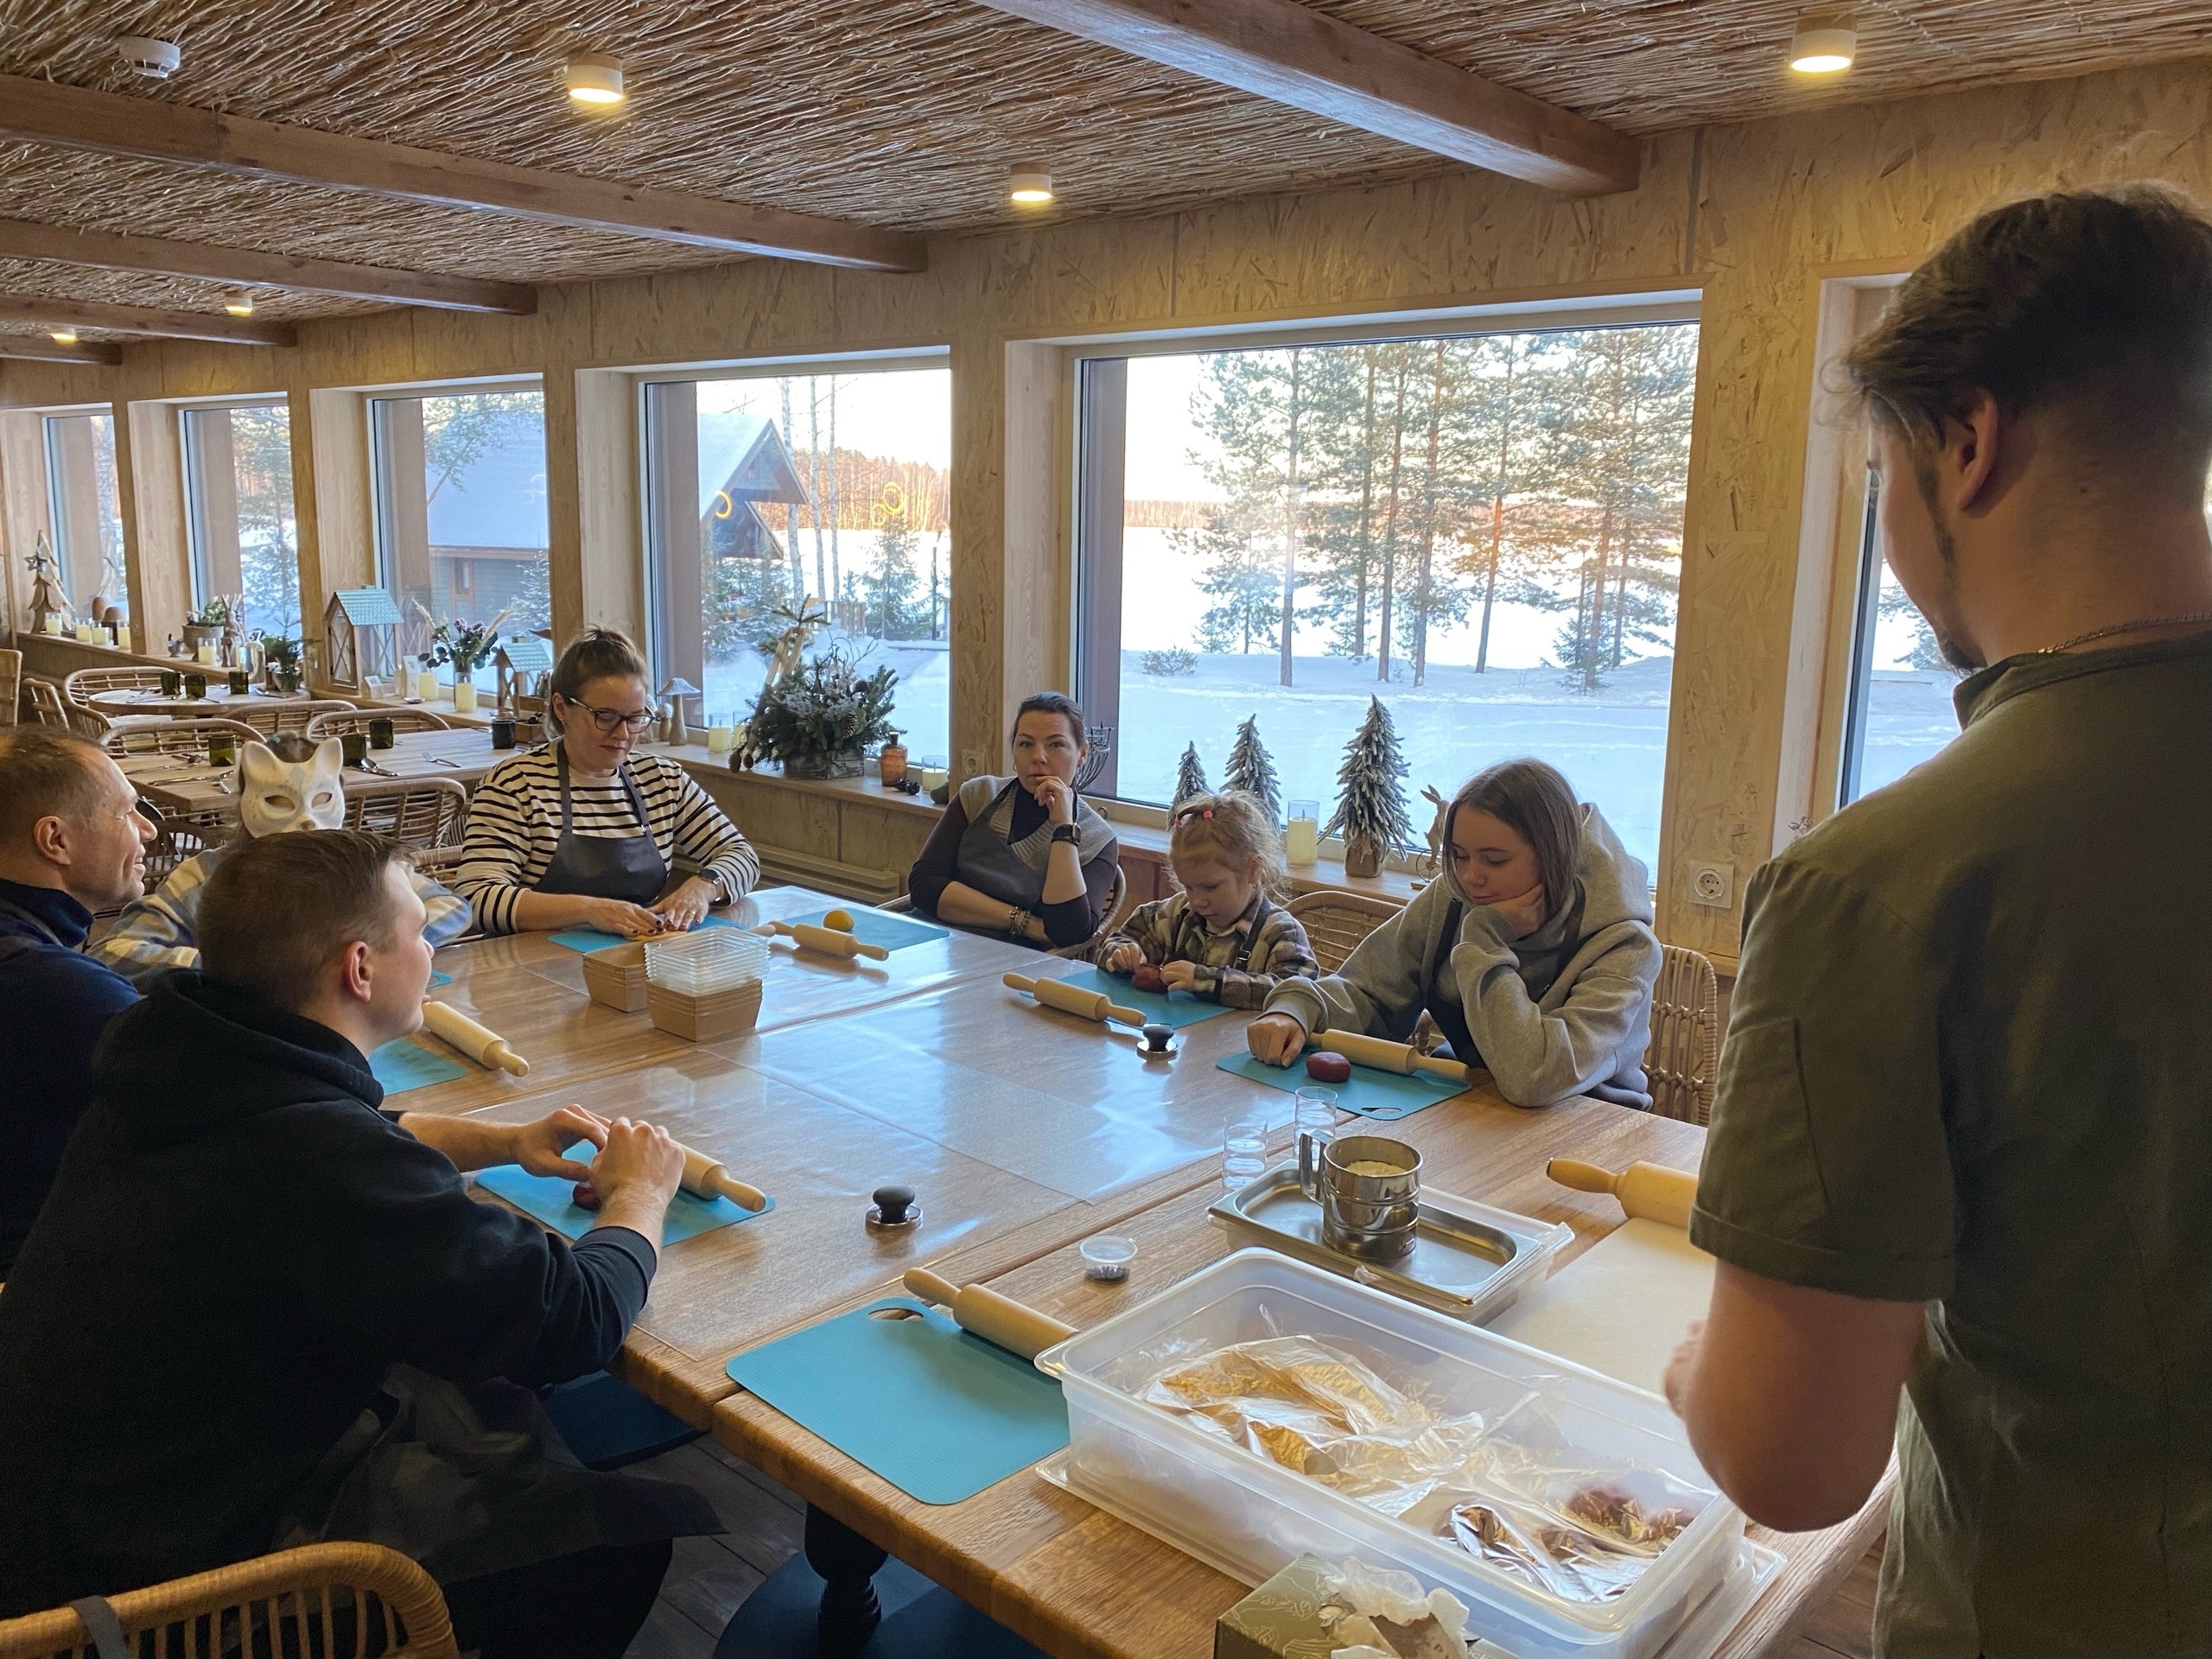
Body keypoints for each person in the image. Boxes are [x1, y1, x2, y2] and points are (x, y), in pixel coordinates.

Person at [1663, 186, 2212, 1659]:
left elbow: (1789, 1465)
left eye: (1876, 476)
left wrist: (1696, 1369)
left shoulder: (1880, 884)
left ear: (1967, 440)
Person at [0, 830, 714, 1654]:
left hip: (66, 1490)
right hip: (154, 1591)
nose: (432, 948)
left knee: (483, 1397)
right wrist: (639, 1196)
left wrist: (502, 1142)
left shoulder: (174, 1060)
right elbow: (576, 1320)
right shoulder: (321, 1162)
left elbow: (331, 1127)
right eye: (418, 932)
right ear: (360, 968)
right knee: (618, 1543)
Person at [1246, 759, 1659, 1108]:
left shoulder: (1624, 946)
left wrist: (1483, 937)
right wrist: (1296, 1009)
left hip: (1594, 1127)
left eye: (1495, 860)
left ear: (1555, 857)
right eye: (1459, 856)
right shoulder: (1453, 896)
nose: (1471, 877)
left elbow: (1534, 1077)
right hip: (1474, 1104)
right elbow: (1370, 993)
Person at [93, 733, 472, 982]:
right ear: (246, 803)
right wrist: (241, 970)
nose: (307, 820)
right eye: (279, 801)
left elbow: (452, 907)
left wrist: (389, 948)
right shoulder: (206, 876)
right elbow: (114, 952)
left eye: (321, 800)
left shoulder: (371, 871)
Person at [454, 627, 759, 937]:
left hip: (636, 950)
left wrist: (704, 886)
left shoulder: (663, 780)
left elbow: (742, 855)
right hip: (534, 958)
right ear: (561, 708)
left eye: (635, 718)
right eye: (605, 717)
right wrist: (589, 910)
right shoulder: (514, 785)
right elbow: (476, 899)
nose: (623, 734)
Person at [0, 728, 153, 1274]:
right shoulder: (54, 987)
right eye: (127, 813)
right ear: (55, 840)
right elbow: (232, 1104)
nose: (148, 830)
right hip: (37, 1281)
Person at [906, 691, 1120, 949]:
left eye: (1056, 745)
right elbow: (923, 885)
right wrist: (1026, 923)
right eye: (1026, 744)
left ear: (1082, 754)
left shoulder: (1097, 838)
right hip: (935, 943)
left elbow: (1068, 932)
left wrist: (1064, 828)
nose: (1038, 757)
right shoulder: (980, 795)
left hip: (1017, 961)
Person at [1094, 790, 1318, 1007]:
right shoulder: (1173, 915)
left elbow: (1297, 993)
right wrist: (1121, 953)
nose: (1197, 902)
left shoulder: (1281, 933)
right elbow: (1115, 942)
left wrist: (1205, 981)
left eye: (1210, 887)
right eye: (1189, 887)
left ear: (1253, 869)